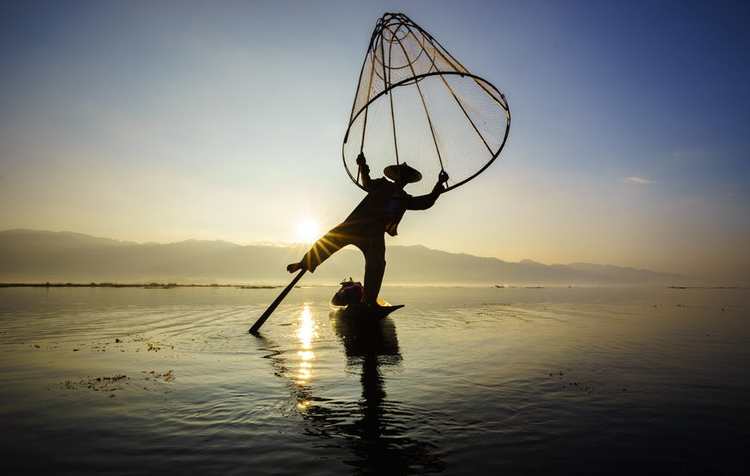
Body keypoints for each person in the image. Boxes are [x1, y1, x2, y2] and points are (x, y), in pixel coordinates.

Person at [287, 153, 449, 305]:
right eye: (402, 174)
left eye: (406, 176)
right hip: (357, 223)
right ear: (396, 175)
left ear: (408, 180)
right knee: (329, 240)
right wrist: (363, 166)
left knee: (377, 264)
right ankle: (305, 262)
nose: (403, 178)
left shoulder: (404, 199)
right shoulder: (381, 184)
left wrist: (439, 185)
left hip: (375, 232)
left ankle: (368, 301)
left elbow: (425, 203)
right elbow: (367, 182)